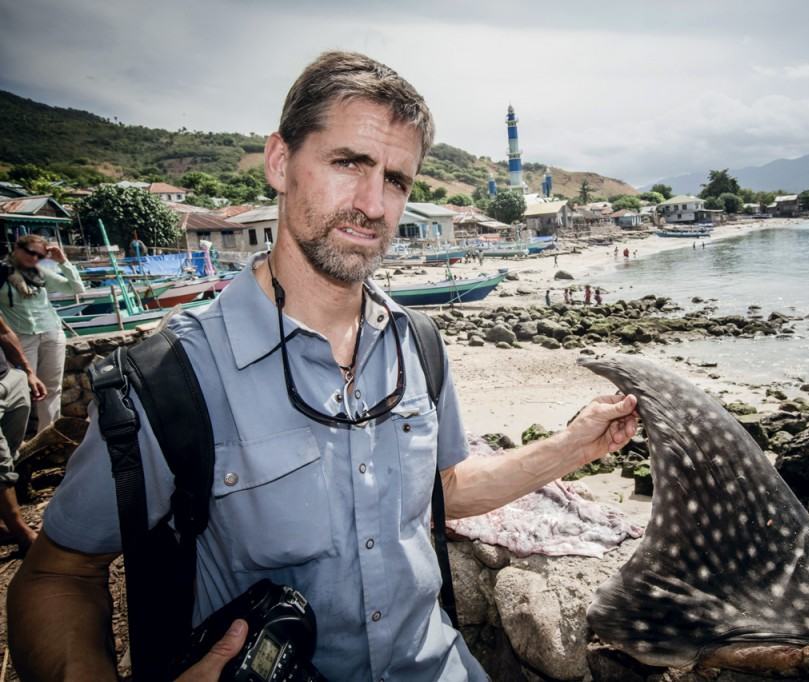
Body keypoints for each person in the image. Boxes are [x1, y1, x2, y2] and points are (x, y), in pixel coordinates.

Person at [8, 51, 637, 682]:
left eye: (396, 180)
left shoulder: (418, 345)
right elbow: (59, 575)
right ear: (280, 162)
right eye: (348, 163)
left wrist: (574, 446)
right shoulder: (170, 377)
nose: (373, 204)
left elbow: (441, 493)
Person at [0, 235, 86, 431]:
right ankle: (15, 440)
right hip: (21, 337)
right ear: (17, 247)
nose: (34, 258)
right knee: (23, 388)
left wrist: (63, 261)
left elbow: (76, 288)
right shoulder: (2, 272)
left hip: (51, 332)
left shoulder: (40, 273)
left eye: (40, 255)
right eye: (30, 252)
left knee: (52, 388)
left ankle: (49, 434)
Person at [0, 315, 47, 551]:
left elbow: (4, 331)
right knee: (0, 461)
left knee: (10, 451)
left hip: (8, 379)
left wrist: (26, 372)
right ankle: (22, 532)